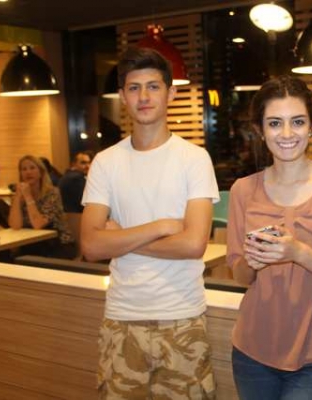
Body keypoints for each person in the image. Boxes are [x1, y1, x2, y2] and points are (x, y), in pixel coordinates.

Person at [81, 47, 219, 399]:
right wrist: (159, 226)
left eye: (153, 86)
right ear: (123, 96)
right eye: (134, 87)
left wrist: (121, 238)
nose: (143, 96)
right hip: (122, 317)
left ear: (171, 93)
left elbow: (193, 245)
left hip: (183, 317)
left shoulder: (194, 159)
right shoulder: (105, 162)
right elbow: (91, 246)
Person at [226, 75, 312, 400]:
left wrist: (298, 252)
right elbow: (240, 276)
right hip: (252, 350)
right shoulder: (243, 191)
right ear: (261, 130)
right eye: (275, 123)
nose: (287, 134)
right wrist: (252, 261)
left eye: (298, 122)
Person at [8, 155, 77, 259]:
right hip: (32, 244)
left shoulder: (52, 193)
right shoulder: (19, 196)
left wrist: (28, 196)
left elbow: (38, 224)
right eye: (24, 169)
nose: (28, 172)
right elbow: (15, 225)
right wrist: (17, 197)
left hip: (59, 244)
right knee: (9, 259)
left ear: (41, 172)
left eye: (32, 168)